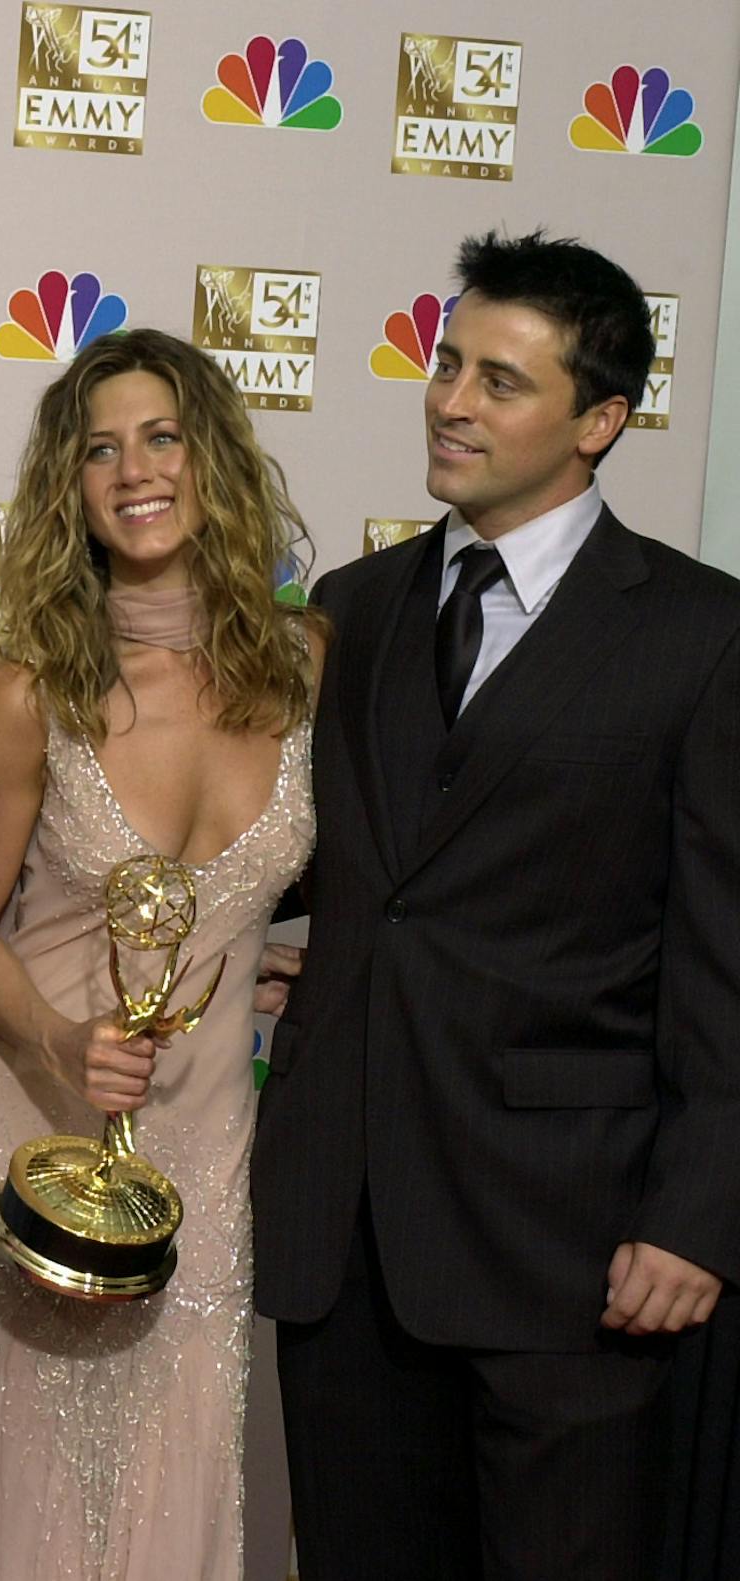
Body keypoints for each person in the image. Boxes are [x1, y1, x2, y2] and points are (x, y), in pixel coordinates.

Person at [252, 230, 739, 1579]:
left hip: (570, 1246)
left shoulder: (705, 638)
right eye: (448, 361)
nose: (452, 399)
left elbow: (728, 959)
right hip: (345, 1230)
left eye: (502, 382)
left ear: (599, 421)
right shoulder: (357, 607)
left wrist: (699, 1211)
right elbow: (348, 875)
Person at [0, 327, 322, 1580]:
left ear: (212, 457)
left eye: (162, 435)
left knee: (178, 1476)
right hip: (30, 1127)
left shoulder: (307, 663)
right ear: (70, 491)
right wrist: (59, 1044)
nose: (134, 469)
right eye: (99, 449)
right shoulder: (33, 688)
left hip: (207, 1153)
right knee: (27, 1485)